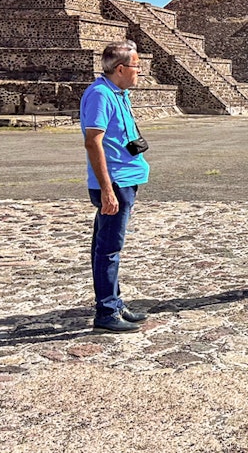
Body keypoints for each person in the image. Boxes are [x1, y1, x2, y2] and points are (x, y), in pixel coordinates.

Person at [80, 40, 150, 333]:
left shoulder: (118, 93)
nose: (139, 72)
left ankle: (115, 302)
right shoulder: (100, 95)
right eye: (135, 66)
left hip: (126, 178)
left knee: (108, 245)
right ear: (120, 69)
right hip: (115, 182)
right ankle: (106, 310)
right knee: (109, 247)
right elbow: (93, 141)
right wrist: (106, 189)